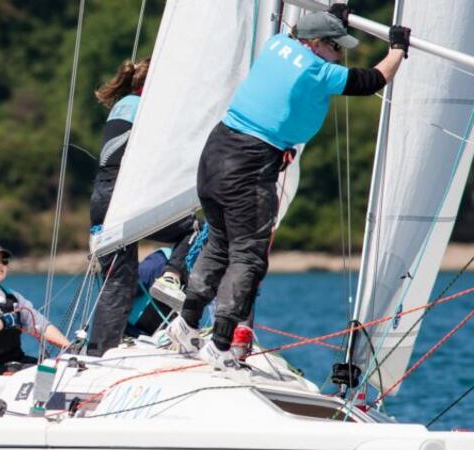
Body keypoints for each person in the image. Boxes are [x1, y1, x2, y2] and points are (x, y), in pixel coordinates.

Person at [168, 5, 410, 370]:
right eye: (336, 47)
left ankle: (185, 326)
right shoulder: (316, 70)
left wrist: (331, 17)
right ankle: (218, 345)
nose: (339, 56)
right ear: (315, 44)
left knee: (219, 242)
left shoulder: (277, 43)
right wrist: (397, 50)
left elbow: (299, 31)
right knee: (248, 257)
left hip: (216, 152)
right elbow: (373, 80)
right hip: (249, 164)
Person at [87, 57, 198, 356]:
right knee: (197, 228)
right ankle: (172, 276)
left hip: (102, 198)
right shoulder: (146, 109)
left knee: (117, 283)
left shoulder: (124, 105)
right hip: (126, 198)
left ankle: (99, 351)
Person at [0, 242, 71, 378]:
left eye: (4, 261)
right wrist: (3, 322)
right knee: (45, 377)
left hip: (16, 364)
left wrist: (69, 347)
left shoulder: (13, 297)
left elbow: (42, 326)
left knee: (60, 370)